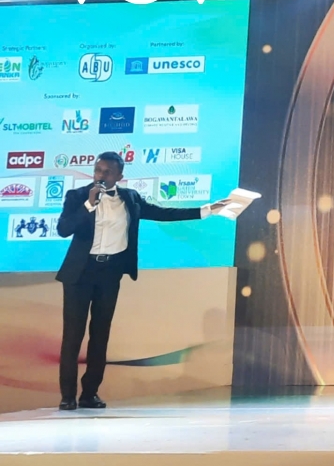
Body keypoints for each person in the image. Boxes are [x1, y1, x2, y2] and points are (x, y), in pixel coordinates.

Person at [55, 151, 230, 411]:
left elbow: (163, 213)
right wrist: (89, 205)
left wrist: (207, 210)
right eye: (98, 170)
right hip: (79, 273)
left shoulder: (131, 198)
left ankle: (89, 393)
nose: (101, 175)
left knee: (100, 335)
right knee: (73, 336)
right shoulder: (77, 196)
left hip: (109, 273)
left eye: (107, 172)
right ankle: (68, 396)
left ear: (119, 176)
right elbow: (63, 229)